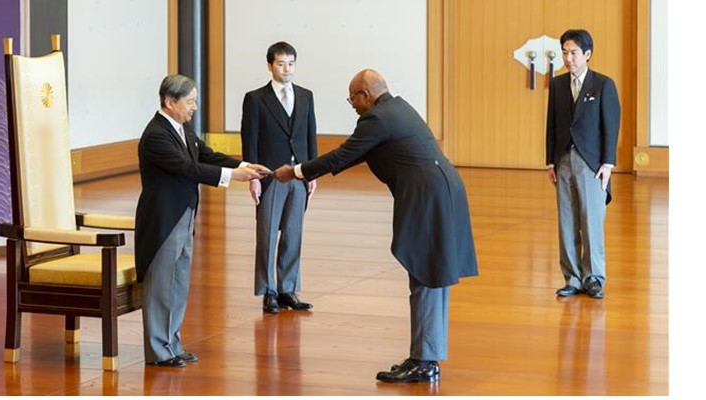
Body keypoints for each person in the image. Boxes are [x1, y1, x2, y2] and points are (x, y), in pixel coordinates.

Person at [274, 69, 478, 383]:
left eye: (352, 98)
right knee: (432, 275)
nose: (352, 105)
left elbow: (343, 154)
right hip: (443, 191)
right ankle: (426, 355)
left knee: (425, 273)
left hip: (428, 197)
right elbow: (354, 155)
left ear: (365, 95)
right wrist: (306, 171)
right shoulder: (397, 108)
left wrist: (297, 171)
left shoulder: (376, 119)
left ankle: (424, 360)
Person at [135, 75, 270, 367]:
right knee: (162, 284)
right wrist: (234, 177)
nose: (195, 106)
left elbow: (206, 154)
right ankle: (159, 351)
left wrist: (244, 165)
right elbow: (187, 168)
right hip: (164, 219)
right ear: (170, 102)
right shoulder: (157, 134)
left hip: (183, 214)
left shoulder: (180, 128)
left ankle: (172, 344)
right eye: (190, 101)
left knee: (178, 281)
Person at [240, 41, 318, 314]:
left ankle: (288, 289)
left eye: (291, 63)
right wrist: (252, 177)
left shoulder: (306, 96)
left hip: (298, 175)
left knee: (293, 234)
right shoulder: (255, 99)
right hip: (270, 176)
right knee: (267, 235)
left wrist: (312, 172)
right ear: (270, 65)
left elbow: (310, 136)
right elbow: (249, 140)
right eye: (281, 63)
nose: (287, 69)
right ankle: (268, 291)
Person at [546, 29, 620, 300]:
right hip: (563, 160)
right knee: (566, 221)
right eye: (564, 52)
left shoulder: (603, 84)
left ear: (587, 54)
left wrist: (608, 163)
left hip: (592, 164)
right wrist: (550, 161)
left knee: (591, 220)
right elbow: (551, 124)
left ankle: (594, 278)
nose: (568, 58)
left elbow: (611, 126)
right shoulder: (556, 85)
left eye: (574, 52)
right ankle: (572, 278)